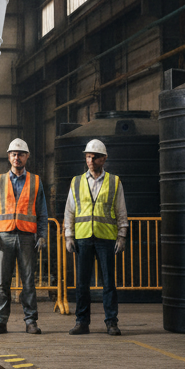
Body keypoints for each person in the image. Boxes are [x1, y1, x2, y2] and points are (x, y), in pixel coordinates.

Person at [64, 139, 128, 336]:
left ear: (104, 159)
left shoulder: (114, 182)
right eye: (88, 156)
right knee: (82, 283)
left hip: (106, 238)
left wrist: (122, 235)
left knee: (109, 282)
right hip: (83, 238)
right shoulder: (76, 182)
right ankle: (82, 322)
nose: (90, 160)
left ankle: (111, 322)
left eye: (95, 157)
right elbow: (69, 211)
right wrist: (69, 235)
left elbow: (121, 210)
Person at [0, 138, 49, 334]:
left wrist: (42, 235)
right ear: (9, 157)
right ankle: (0, 321)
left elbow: (42, 212)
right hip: (4, 238)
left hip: (26, 238)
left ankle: (31, 321)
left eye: (21, 154)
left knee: (28, 282)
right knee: (2, 282)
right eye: (14, 154)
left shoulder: (36, 181)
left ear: (27, 157)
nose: (17, 157)